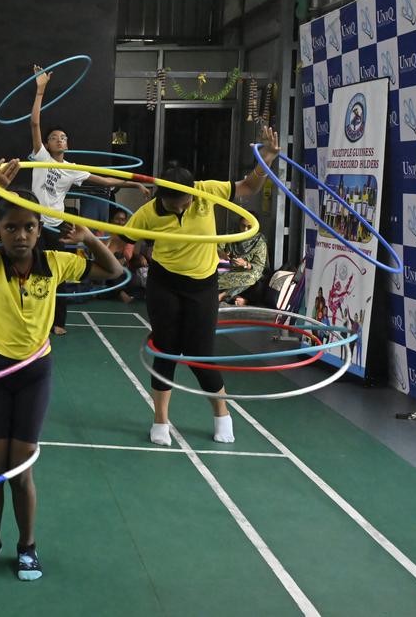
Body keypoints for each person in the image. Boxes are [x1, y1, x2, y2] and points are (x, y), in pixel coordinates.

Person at [0, 159, 122, 581]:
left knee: (20, 473)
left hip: (35, 373)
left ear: (40, 230)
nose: (21, 235)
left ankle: (27, 547)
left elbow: (115, 271)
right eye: (11, 228)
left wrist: (90, 236)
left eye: (29, 228)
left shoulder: (56, 264)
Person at [121, 125, 281, 446]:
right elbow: (124, 241)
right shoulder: (148, 212)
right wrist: (124, 259)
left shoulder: (207, 192)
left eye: (183, 201)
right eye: (172, 203)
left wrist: (266, 159)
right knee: (166, 350)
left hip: (203, 285)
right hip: (164, 283)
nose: (179, 207)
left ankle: (222, 414)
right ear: (161, 196)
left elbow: (249, 187)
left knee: (200, 355)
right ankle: (160, 421)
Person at [28, 67, 150, 334]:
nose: (59, 139)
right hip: (35, 224)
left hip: (58, 225)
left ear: (67, 144)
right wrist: (40, 89)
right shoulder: (41, 158)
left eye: (63, 137)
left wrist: (135, 182)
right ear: (47, 145)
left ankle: (58, 323)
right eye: (54, 138)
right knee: (32, 272)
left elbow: (105, 181)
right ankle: (32, 318)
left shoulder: (72, 167)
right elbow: (35, 123)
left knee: (57, 274)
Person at [217, 213, 268, 305]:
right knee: (210, 270)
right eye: (243, 226)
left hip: (244, 273)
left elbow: (259, 267)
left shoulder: (259, 243)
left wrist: (245, 264)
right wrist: (222, 254)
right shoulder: (232, 235)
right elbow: (217, 246)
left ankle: (223, 295)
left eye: (249, 227)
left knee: (252, 278)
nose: (245, 230)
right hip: (227, 268)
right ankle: (233, 298)